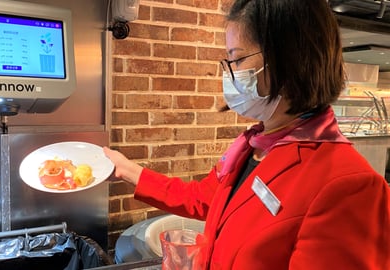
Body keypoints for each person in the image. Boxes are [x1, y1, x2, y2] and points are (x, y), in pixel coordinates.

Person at [103, 0, 390, 269]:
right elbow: (205, 199)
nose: (230, 74)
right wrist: (128, 170)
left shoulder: (350, 186)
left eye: (237, 60)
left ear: (291, 59)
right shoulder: (254, 146)